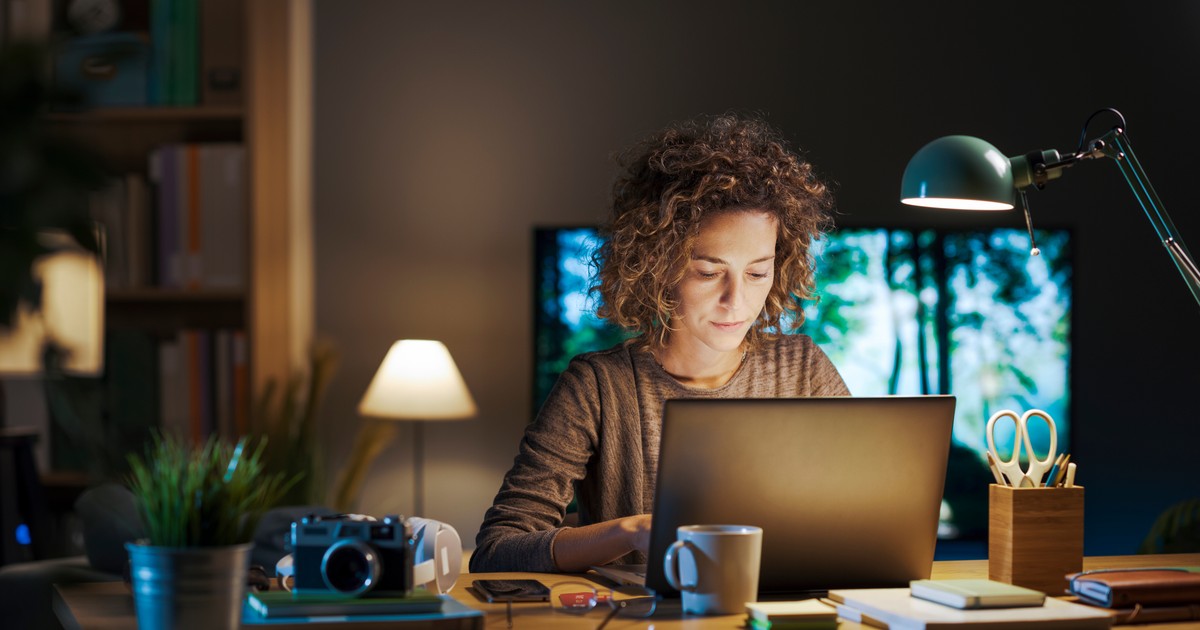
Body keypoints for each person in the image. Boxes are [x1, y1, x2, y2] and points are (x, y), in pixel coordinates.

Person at [470, 113, 850, 573]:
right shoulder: (599, 386)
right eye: (708, 272)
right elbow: (498, 549)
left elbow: (859, 514)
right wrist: (631, 532)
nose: (737, 300)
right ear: (658, 266)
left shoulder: (804, 368)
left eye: (757, 272)